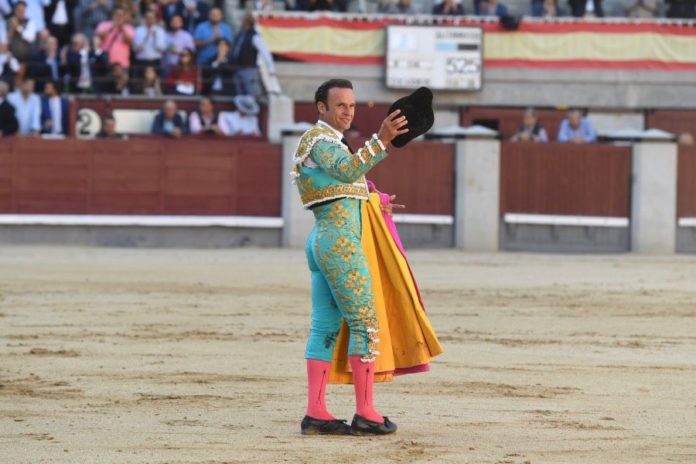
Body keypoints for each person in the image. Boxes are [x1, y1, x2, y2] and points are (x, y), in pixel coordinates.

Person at [292, 79, 410, 436]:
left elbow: (343, 188)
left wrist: (378, 202)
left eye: (352, 106)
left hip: (324, 241)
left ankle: (316, 413)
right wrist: (382, 139)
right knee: (365, 324)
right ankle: (366, 411)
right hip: (339, 246)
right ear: (321, 108)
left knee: (324, 328)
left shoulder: (332, 146)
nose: (348, 112)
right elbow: (347, 171)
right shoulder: (317, 140)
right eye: (340, 105)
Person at [229, 14, 274, 98]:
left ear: (248, 23)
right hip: (237, 67)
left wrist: (270, 67)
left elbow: (264, 51)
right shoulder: (241, 34)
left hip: (248, 69)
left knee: (250, 93)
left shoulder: (255, 36)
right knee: (240, 94)